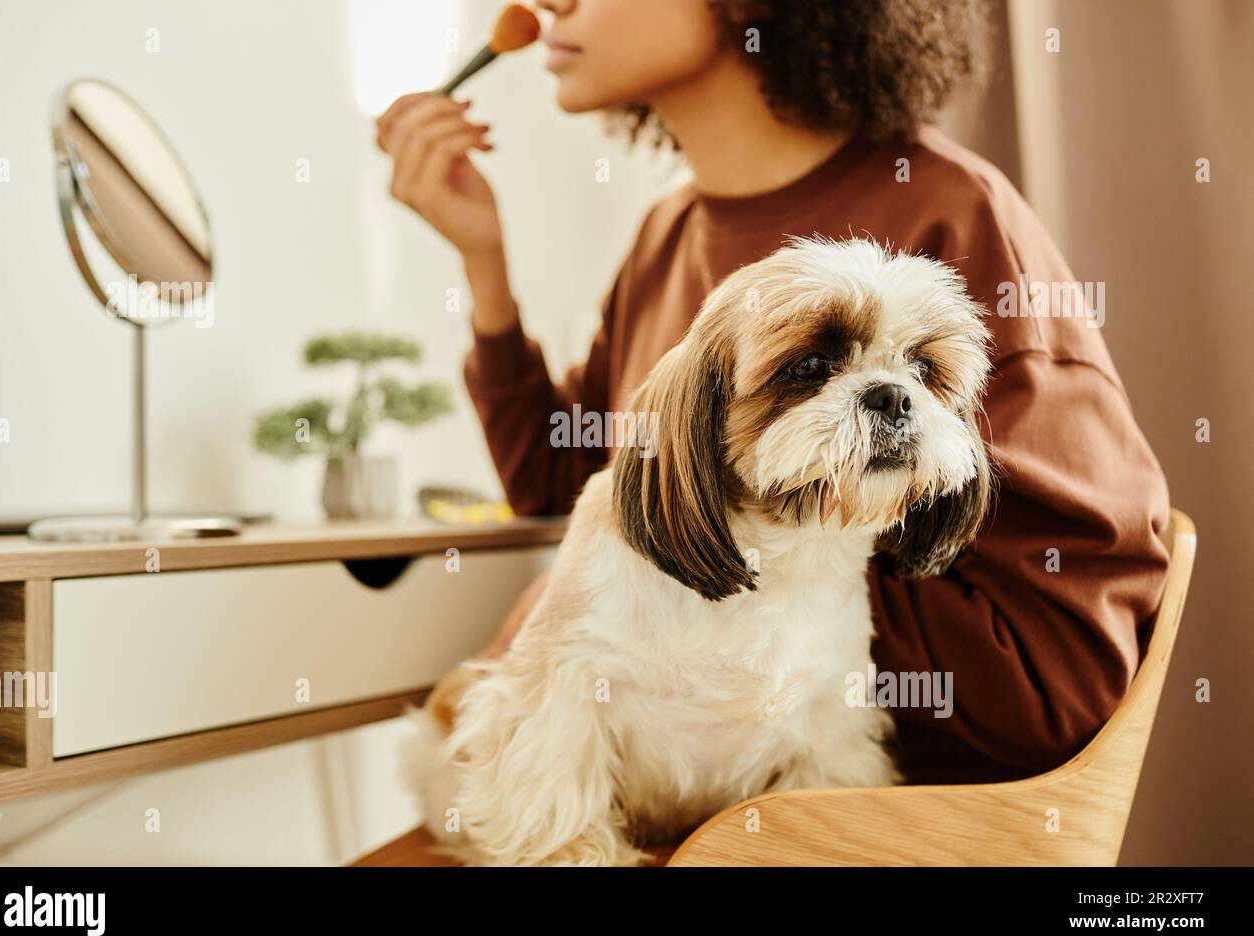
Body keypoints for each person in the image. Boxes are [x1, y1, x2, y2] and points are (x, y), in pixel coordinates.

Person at [375, 0, 1171, 785]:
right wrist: (484, 267)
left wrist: (722, 588)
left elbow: (1058, 681)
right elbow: (569, 488)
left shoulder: (957, 214)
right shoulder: (666, 234)